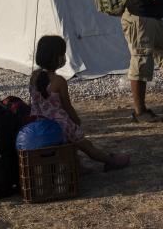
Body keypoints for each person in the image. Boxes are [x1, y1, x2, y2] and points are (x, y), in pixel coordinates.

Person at [29, 36, 131, 170]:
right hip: (60, 124)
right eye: (63, 55)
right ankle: (109, 161)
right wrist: (76, 121)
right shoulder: (59, 81)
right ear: (57, 58)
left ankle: (77, 166)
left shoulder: (34, 76)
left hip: (39, 123)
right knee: (86, 145)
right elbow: (67, 106)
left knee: (69, 146)